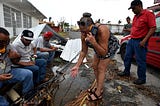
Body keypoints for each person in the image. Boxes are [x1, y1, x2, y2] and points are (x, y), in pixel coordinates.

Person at [70, 12, 119, 101]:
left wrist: (94, 43)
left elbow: (104, 53)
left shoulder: (102, 30)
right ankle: (98, 85)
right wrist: (77, 66)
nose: (84, 34)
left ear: (91, 26)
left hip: (110, 47)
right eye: (82, 31)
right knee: (94, 66)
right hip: (98, 46)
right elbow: (83, 51)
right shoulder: (83, 33)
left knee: (101, 67)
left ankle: (99, 92)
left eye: (85, 31)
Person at [117, 0, 156, 85]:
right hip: (132, 40)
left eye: (133, 8)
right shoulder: (135, 16)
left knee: (140, 60)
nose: (132, 10)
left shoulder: (148, 14)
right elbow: (135, 29)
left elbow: (153, 28)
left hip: (140, 41)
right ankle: (126, 72)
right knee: (127, 56)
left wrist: (144, 41)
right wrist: (129, 32)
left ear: (139, 6)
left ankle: (142, 79)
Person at [0, 27, 34, 106]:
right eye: (2, 42)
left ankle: (27, 98)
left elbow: (15, 61)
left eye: (7, 42)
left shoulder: (8, 46)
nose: (5, 45)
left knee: (28, 74)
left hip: (9, 72)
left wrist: (16, 56)